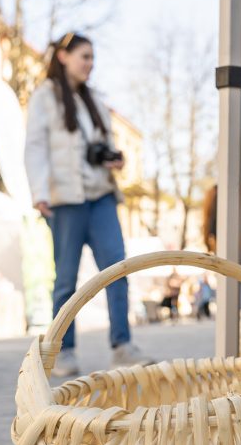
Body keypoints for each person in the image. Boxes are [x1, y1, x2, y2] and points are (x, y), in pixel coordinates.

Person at [25, 32, 148, 377]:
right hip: (65, 200)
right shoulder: (45, 97)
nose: (90, 64)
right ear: (63, 56)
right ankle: (63, 351)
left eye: (93, 58)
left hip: (101, 196)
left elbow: (102, 145)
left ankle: (122, 345)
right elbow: (35, 146)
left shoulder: (95, 99)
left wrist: (113, 159)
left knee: (117, 269)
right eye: (84, 56)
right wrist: (39, 191)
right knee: (65, 278)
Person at [201, 184, 241, 303]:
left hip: (226, 242)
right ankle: (236, 307)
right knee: (239, 277)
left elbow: (207, 219)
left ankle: (228, 306)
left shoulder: (213, 192)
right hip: (236, 243)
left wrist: (207, 242)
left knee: (225, 275)